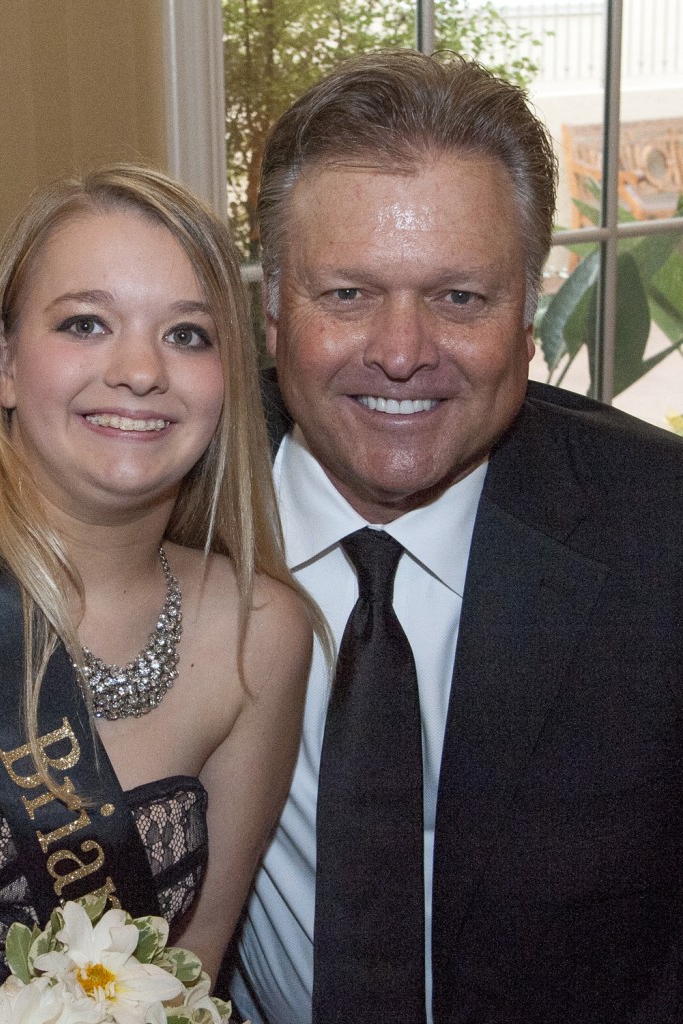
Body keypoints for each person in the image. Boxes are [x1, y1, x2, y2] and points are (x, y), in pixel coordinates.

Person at [231, 49, 683, 1024]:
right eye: (346, 293)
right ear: (271, 309)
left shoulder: (664, 541)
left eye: (459, 297)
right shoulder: (162, 513)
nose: (401, 352)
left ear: (526, 312)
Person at [0, 165, 313, 1021]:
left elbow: (192, 973)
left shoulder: (261, 635)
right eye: (85, 323)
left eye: (188, 335)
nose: (140, 370)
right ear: (6, 364)